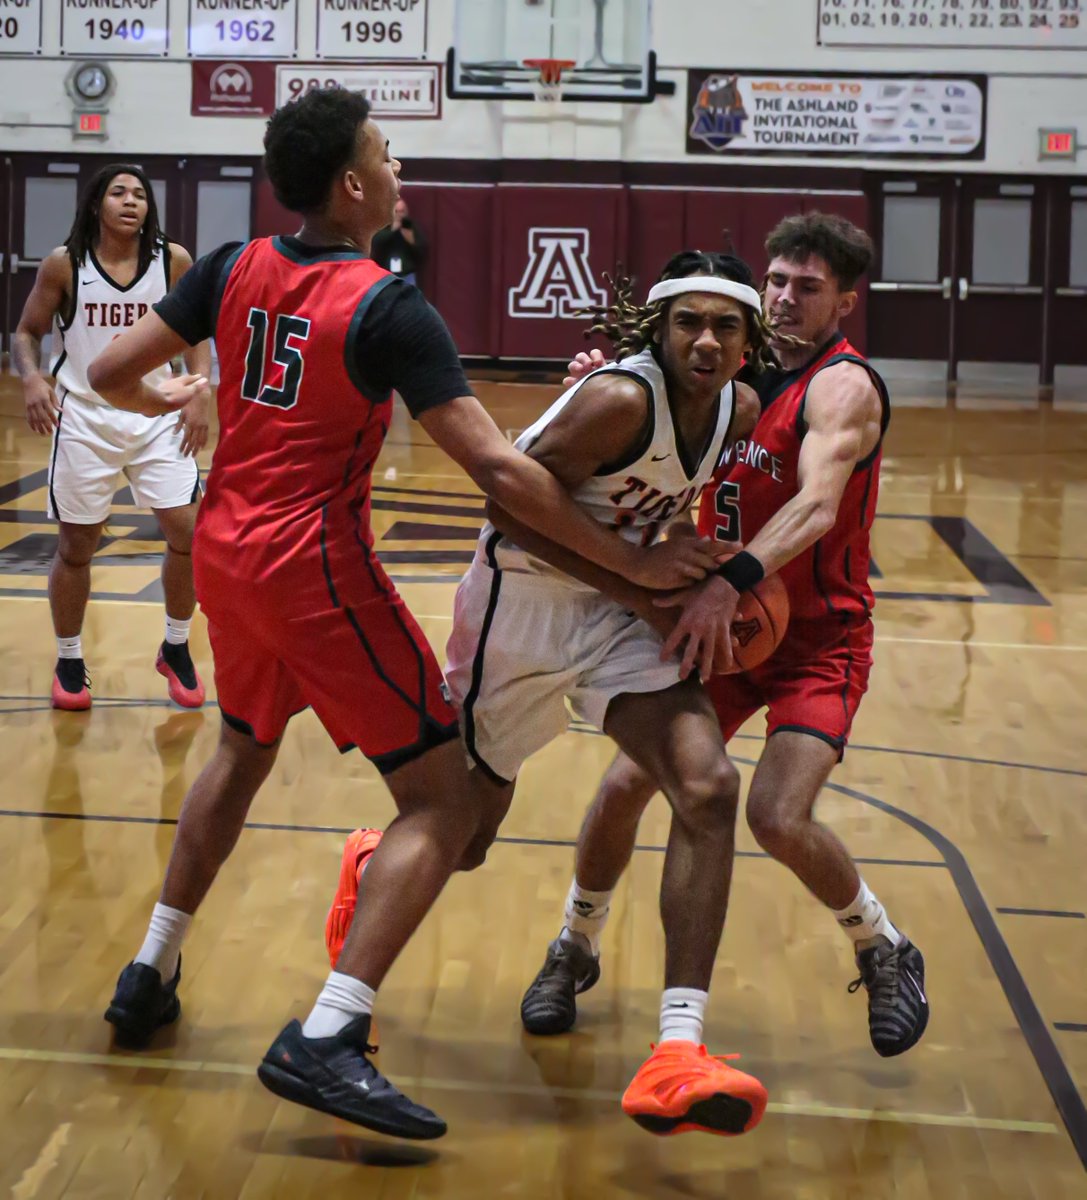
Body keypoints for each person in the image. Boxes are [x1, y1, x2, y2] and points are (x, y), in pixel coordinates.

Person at [87, 87, 719, 1142]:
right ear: (350, 184)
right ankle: (330, 1032)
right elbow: (498, 474)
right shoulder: (387, 306)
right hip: (311, 569)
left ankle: (149, 970)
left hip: (225, 552)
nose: (398, 171)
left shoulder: (231, 265)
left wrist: (181, 398)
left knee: (240, 749)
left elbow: (108, 370)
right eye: (386, 154)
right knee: (444, 802)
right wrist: (633, 564)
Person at [330, 251, 780, 1139]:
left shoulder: (739, 408)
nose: (705, 340)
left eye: (725, 326)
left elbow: (656, 504)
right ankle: (375, 860)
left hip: (618, 610)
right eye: (688, 322)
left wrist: (677, 571)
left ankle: (678, 1049)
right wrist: (637, 581)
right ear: (659, 329)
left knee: (707, 785)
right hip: (523, 604)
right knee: (460, 839)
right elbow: (506, 511)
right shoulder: (616, 399)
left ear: (747, 342)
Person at [522, 212, 929, 1061]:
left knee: (776, 815)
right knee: (626, 785)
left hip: (812, 637)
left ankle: (881, 944)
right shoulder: (729, 379)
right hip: (732, 628)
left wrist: (727, 580)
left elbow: (815, 507)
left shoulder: (841, 387)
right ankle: (573, 943)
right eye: (774, 281)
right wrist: (609, 393)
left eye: (806, 288)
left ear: (843, 302)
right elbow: (653, 442)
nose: (783, 298)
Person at [13, 163, 212, 711]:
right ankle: (69, 658)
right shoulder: (64, 263)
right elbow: (27, 332)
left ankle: (176, 647)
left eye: (140, 195)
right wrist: (31, 378)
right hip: (86, 417)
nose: (130, 201)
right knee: (77, 547)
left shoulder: (172, 260)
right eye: (118, 192)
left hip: (157, 413)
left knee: (188, 533)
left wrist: (200, 390)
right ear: (96, 203)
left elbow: (197, 331)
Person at [370, 196, 426, 286]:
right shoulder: (384, 227)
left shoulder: (411, 228)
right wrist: (392, 230)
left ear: (406, 212)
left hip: (406, 274)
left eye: (402, 211)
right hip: (386, 274)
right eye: (397, 212)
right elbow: (376, 243)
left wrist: (411, 241)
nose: (399, 215)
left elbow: (421, 251)